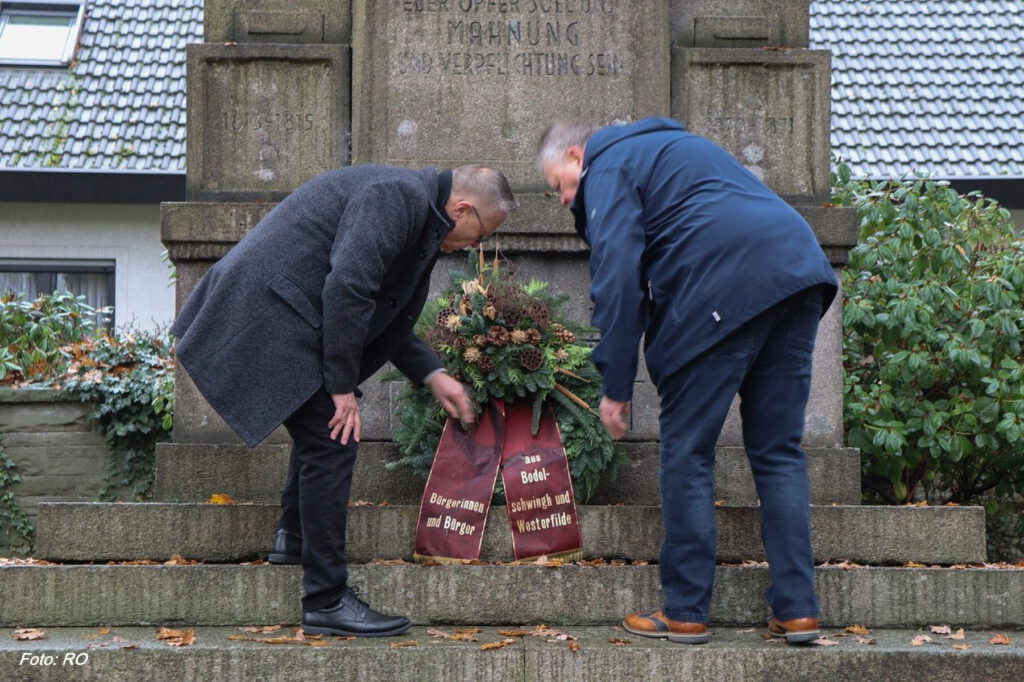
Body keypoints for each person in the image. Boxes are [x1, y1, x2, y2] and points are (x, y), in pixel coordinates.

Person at [171, 164, 517, 637]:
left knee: (322, 437)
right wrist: (340, 389)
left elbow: (384, 307)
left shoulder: (420, 212)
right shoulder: (397, 198)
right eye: (482, 233)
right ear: (463, 208)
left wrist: (433, 373)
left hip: (285, 313)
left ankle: (294, 538)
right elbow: (349, 286)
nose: (477, 247)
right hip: (266, 313)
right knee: (332, 437)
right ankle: (326, 600)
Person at [537, 118, 837, 644]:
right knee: (778, 452)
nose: (562, 199)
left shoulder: (608, 165)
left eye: (559, 184)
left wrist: (616, 384)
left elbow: (617, 271)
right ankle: (798, 610)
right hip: (798, 273)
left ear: (577, 155)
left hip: (723, 286)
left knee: (688, 453)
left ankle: (686, 610)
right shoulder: (675, 146)